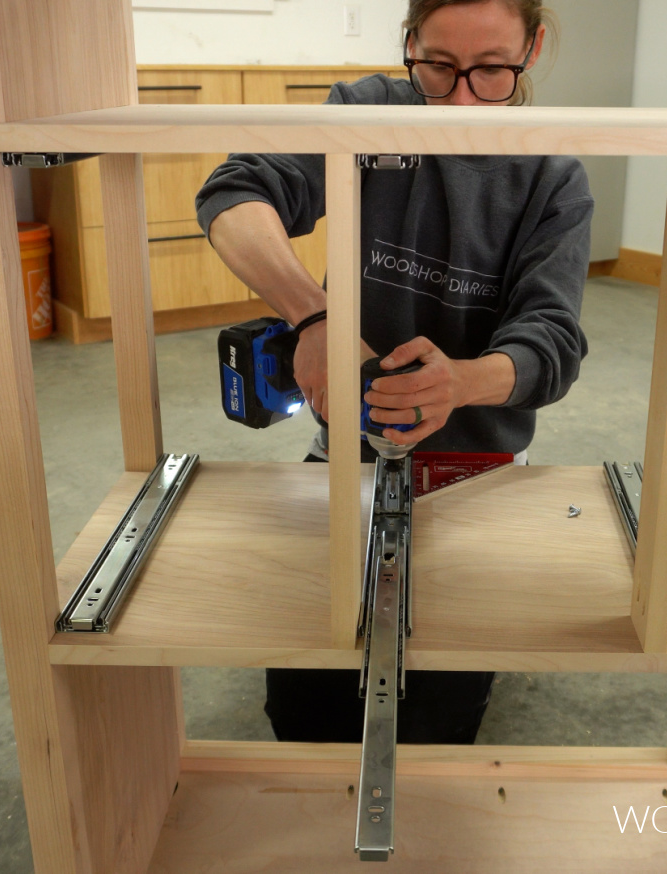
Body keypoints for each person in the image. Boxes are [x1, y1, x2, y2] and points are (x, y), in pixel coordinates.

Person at [195, 0, 593, 744]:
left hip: (478, 469)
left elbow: (553, 340)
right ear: (409, 42)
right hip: (346, 454)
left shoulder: (552, 176)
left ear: (533, 48)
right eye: (438, 67)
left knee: (439, 721)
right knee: (306, 711)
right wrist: (314, 317)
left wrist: (464, 383)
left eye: (492, 71)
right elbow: (234, 191)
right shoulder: (364, 114)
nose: (461, 100)